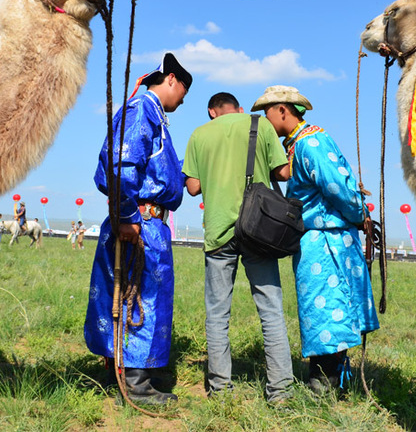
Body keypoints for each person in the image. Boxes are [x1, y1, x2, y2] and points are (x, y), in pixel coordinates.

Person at [252, 85, 380, 394]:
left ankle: (327, 384)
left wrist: (360, 215)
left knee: (330, 309)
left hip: (329, 241)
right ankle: (329, 380)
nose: (265, 121)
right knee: (319, 310)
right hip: (314, 241)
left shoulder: (312, 143)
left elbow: (338, 187)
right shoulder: (295, 145)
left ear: (283, 110)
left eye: (267, 113)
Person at [84, 52, 191, 405]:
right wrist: (128, 214)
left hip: (146, 221)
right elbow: (121, 163)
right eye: (183, 93)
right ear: (171, 80)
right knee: (137, 296)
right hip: (138, 222)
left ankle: (129, 371)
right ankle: (134, 382)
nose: (182, 101)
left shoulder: (152, 113)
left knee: (142, 295)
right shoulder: (141, 109)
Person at [182, 92, 294, 403]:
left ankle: (220, 390)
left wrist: (214, 170)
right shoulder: (259, 125)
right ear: (240, 109)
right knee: (271, 310)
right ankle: (280, 391)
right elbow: (283, 172)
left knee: (217, 314)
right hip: (258, 229)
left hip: (219, 231)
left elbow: (192, 188)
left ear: (211, 112)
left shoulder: (199, 134)